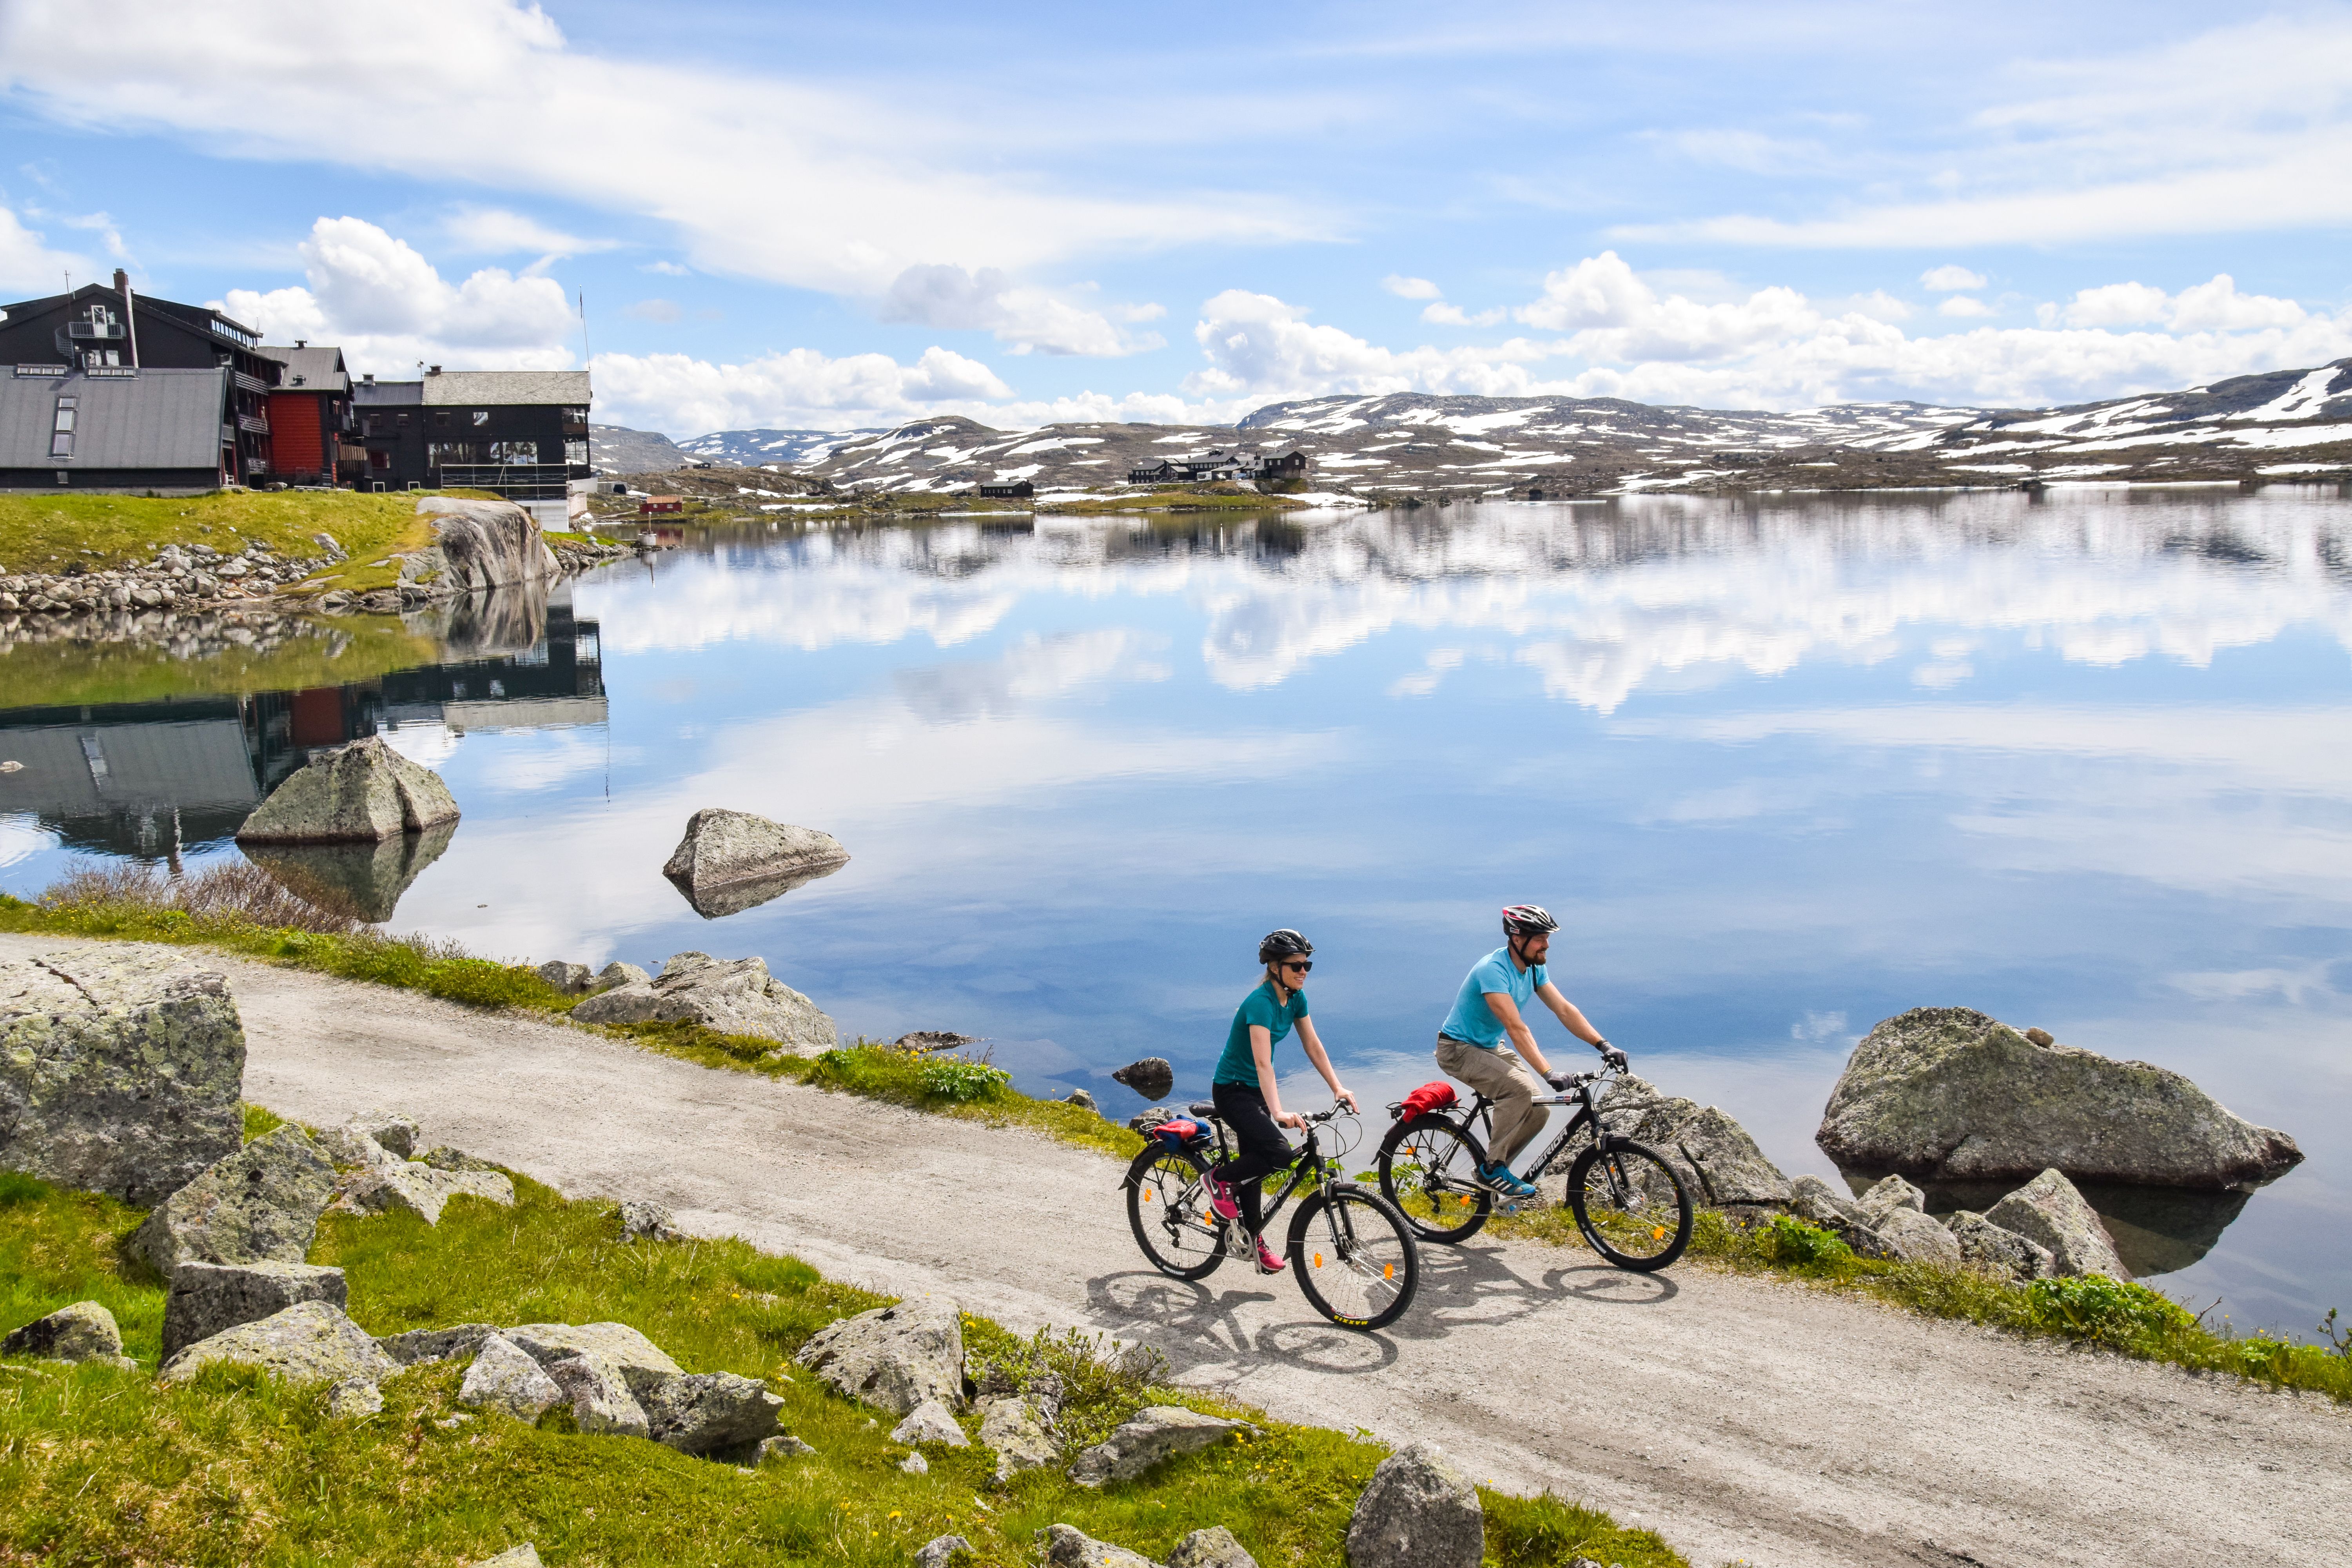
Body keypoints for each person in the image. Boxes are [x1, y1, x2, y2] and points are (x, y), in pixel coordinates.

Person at [1435, 904, 1627, 1200]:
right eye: (1540, 939)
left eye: (1547, 938)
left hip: (1487, 1046)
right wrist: (1548, 1073)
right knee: (1520, 1091)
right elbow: (1516, 1028)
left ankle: (1495, 1172)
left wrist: (1604, 1045)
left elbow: (1564, 1010)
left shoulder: (1535, 968)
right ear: (1517, 938)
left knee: (1539, 1108)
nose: (1546, 945)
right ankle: (1492, 1170)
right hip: (1458, 1049)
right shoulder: (1493, 971)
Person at [1206, 929, 1361, 1274]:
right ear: (1275, 968)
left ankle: (1252, 1239)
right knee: (1278, 1154)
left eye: (1307, 965)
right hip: (1232, 1090)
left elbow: (1313, 1045)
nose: (1303, 971)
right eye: (1296, 966)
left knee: (1256, 1167)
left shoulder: (1296, 998)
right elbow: (1263, 1064)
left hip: (1256, 1092)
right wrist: (1277, 1111)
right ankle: (1218, 1180)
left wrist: (1337, 1087)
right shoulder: (1260, 1004)